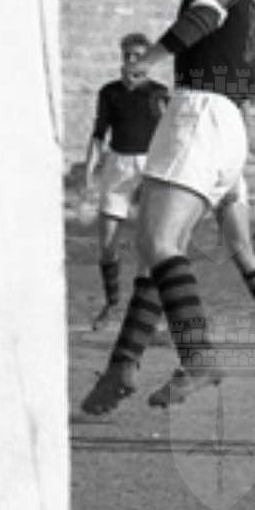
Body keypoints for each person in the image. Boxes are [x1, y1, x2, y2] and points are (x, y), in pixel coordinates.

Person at [79, 0, 255, 416]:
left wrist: (149, 59)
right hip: (225, 123)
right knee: (155, 250)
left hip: (199, 114)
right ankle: (123, 364)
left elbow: (203, 17)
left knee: (158, 242)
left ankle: (197, 355)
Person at [83, 35, 170, 328]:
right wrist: (89, 167)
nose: (132, 60)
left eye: (138, 55)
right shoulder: (109, 92)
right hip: (118, 165)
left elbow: (169, 135)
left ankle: (148, 310)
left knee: (151, 242)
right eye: (127, 55)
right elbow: (99, 133)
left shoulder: (159, 93)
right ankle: (112, 305)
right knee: (107, 243)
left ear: (148, 60)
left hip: (150, 166)